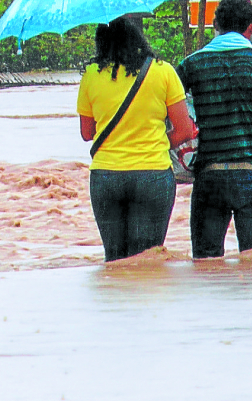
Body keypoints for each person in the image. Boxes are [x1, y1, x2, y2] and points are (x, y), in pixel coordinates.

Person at [175, 0, 252, 258]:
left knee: (205, 264)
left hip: (209, 175)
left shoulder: (191, 65)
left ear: (216, 24)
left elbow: (171, 116)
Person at [77, 16, 198, 262]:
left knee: (115, 259)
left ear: (101, 43)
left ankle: (117, 301)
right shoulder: (163, 71)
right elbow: (185, 130)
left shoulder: (91, 74)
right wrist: (159, 144)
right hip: (152, 174)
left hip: (106, 176)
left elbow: (87, 133)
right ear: (138, 40)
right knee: (147, 259)